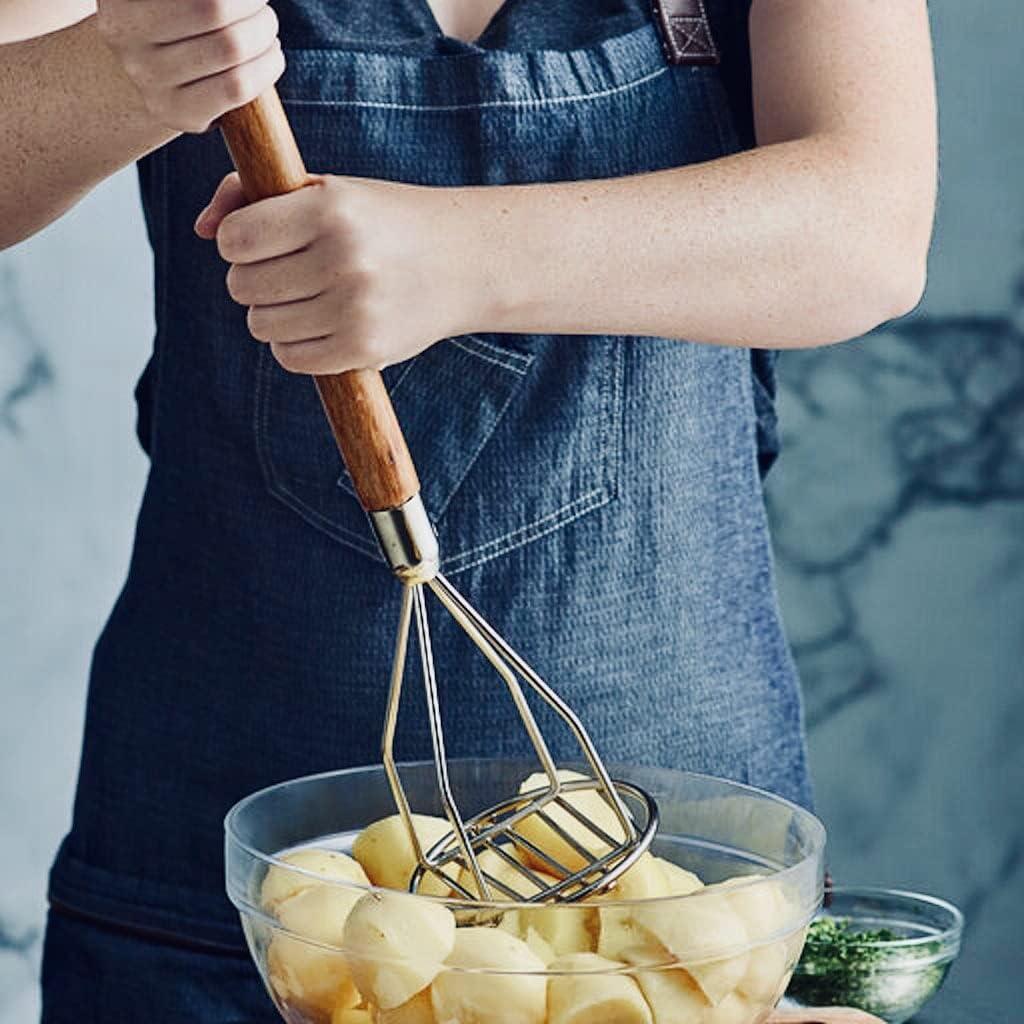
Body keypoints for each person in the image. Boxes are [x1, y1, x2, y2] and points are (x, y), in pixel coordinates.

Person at [1, 0, 937, 1019]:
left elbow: (868, 225)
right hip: (219, 906)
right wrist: (118, 66)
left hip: (676, 909)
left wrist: (455, 260)